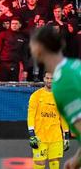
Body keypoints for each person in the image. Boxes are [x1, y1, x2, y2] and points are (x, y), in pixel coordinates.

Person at [30, 25, 81, 169]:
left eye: (31, 46)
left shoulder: (62, 84)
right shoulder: (75, 65)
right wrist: (77, 159)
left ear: (39, 49)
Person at [29, 71, 71, 169]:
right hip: (40, 137)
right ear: (43, 79)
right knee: (39, 163)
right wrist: (31, 134)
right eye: (47, 78)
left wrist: (66, 136)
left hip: (56, 137)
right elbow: (31, 116)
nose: (49, 81)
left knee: (55, 163)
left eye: (52, 79)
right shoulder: (36, 96)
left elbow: (63, 117)